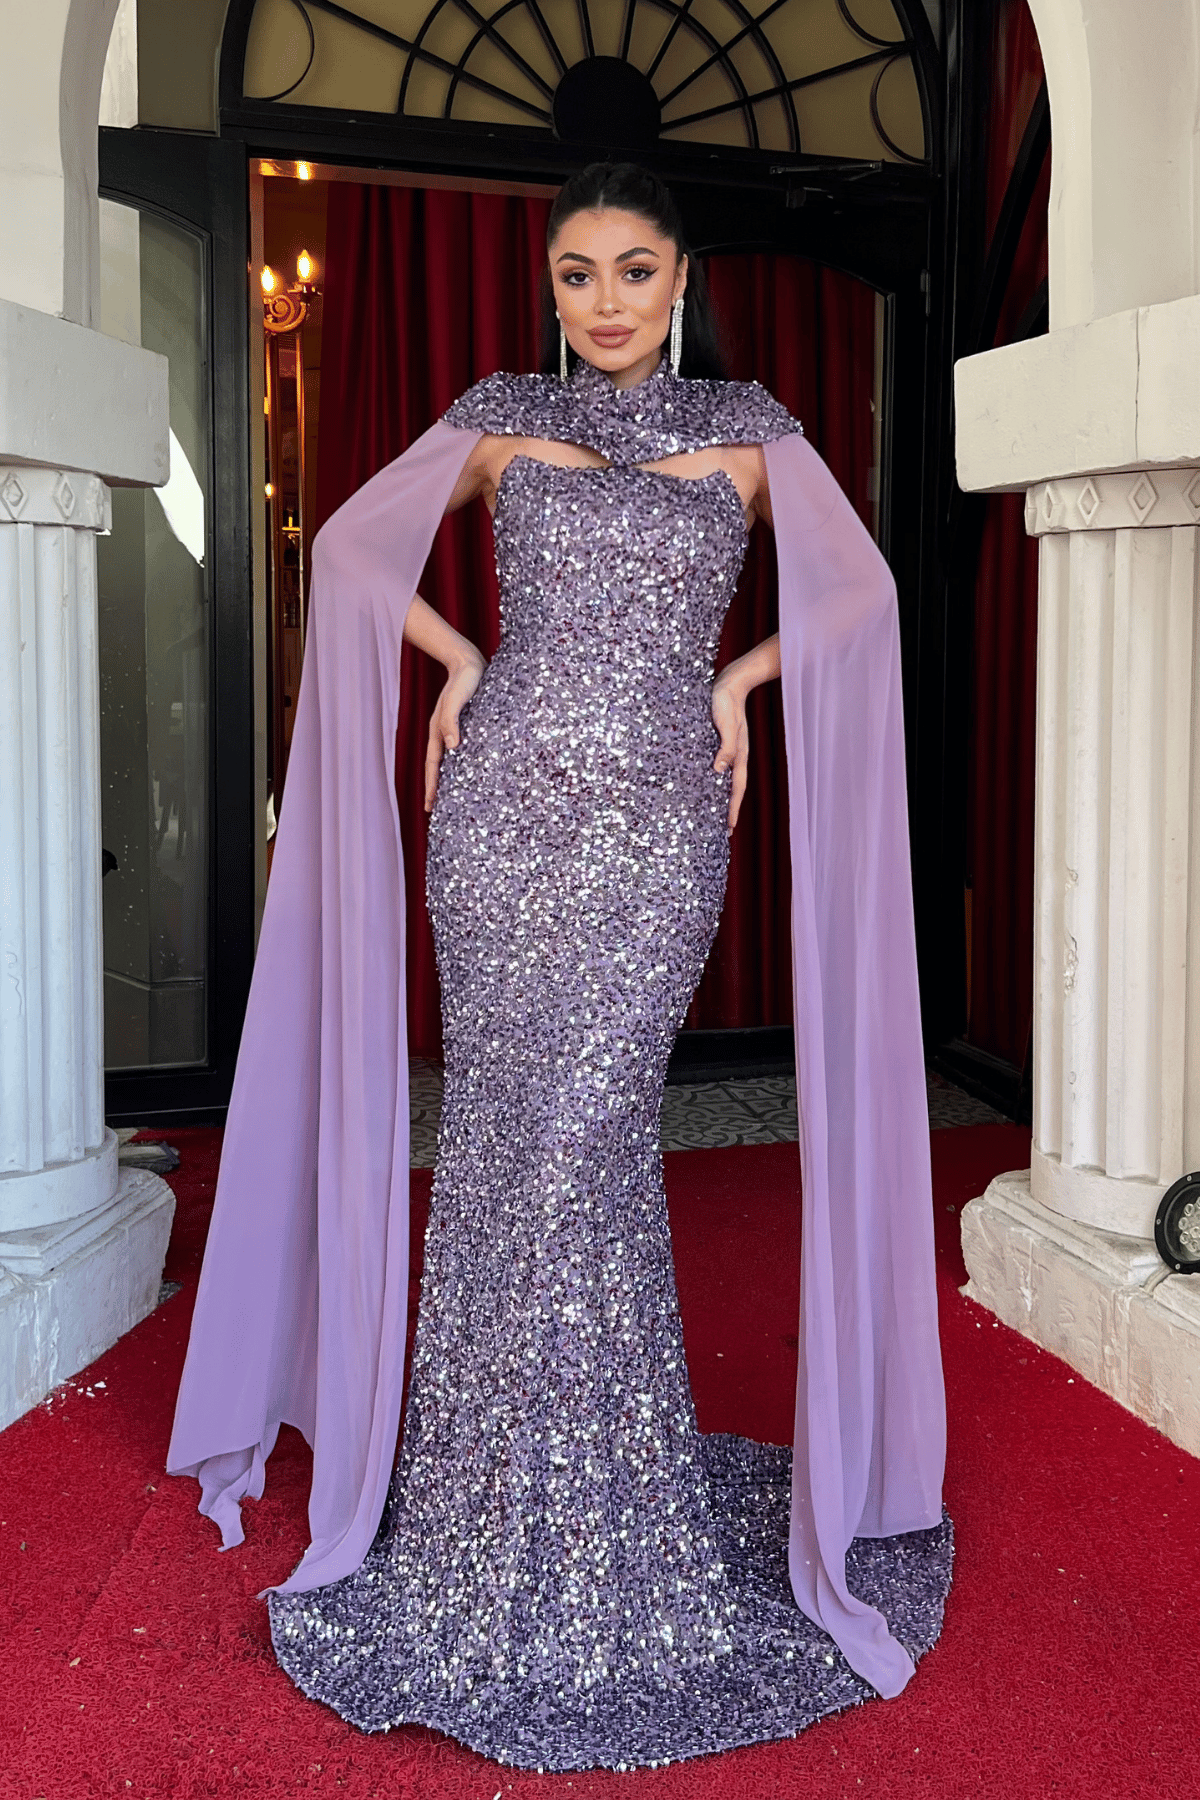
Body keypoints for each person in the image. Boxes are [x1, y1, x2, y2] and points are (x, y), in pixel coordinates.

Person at [168, 162, 950, 1773]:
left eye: (635, 270)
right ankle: (489, 1510)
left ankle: (606, 1510)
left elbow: (863, 596)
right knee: (509, 1146)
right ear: (550, 283)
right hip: (504, 815)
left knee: (588, 1142)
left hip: (659, 824)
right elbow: (352, 557)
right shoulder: (500, 418)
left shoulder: (751, 434)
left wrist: (738, 682)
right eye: (578, 273)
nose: (605, 301)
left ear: (683, 279)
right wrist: (461, 658)